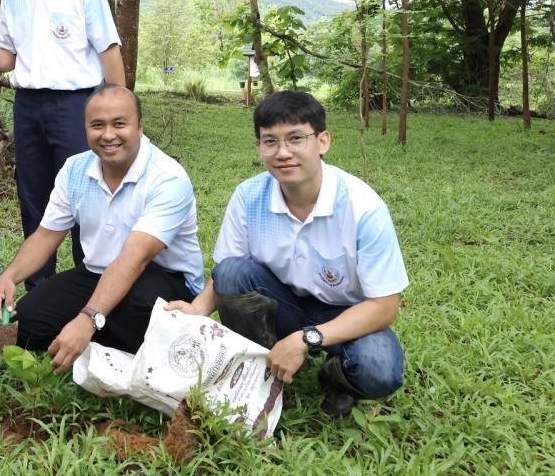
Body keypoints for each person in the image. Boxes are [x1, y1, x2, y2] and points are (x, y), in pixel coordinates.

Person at [167, 90, 407, 418]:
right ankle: (260, 370)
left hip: (345, 314)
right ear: (259, 147)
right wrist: (197, 309)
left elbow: (384, 307)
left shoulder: (362, 208)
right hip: (284, 304)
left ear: (322, 141)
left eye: (295, 138)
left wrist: (306, 339)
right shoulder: (249, 196)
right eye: (270, 141)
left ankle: (335, 379)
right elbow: (225, 269)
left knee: (380, 370)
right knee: (231, 273)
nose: (283, 153)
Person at [0, 85, 205, 371]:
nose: (108, 135)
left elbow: (135, 257)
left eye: (119, 124)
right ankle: (109, 338)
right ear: (85, 129)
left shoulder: (167, 178)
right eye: (97, 125)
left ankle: (106, 336)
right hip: (97, 273)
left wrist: (87, 318)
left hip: (163, 280)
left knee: (140, 308)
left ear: (139, 127)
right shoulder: (75, 169)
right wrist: (10, 276)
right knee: (23, 327)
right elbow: (45, 236)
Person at [0, 0, 124, 289]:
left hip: (77, 105)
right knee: (35, 195)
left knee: (84, 192)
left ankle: (86, 284)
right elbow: (9, 56)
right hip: (28, 107)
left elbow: (108, 51)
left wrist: (120, 109)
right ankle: (39, 290)